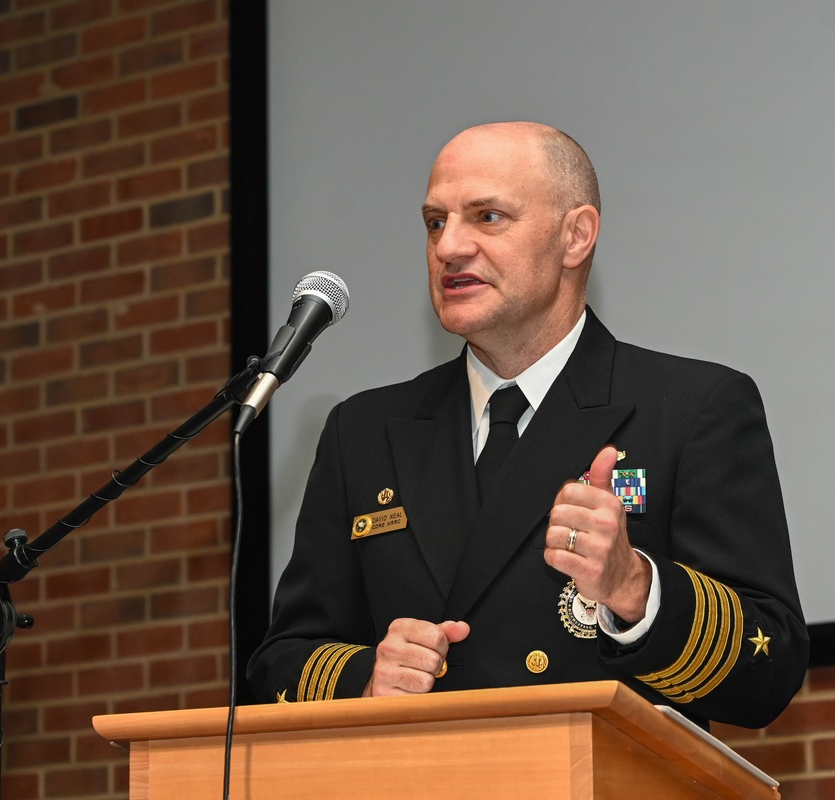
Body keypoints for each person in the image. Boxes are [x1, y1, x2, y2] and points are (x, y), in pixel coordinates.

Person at [246, 122, 809, 728]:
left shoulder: (693, 407)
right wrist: (366, 678)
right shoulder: (363, 431)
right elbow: (281, 660)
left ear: (576, 236)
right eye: (436, 222)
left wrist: (637, 590)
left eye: (487, 217)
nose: (449, 248)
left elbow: (768, 671)